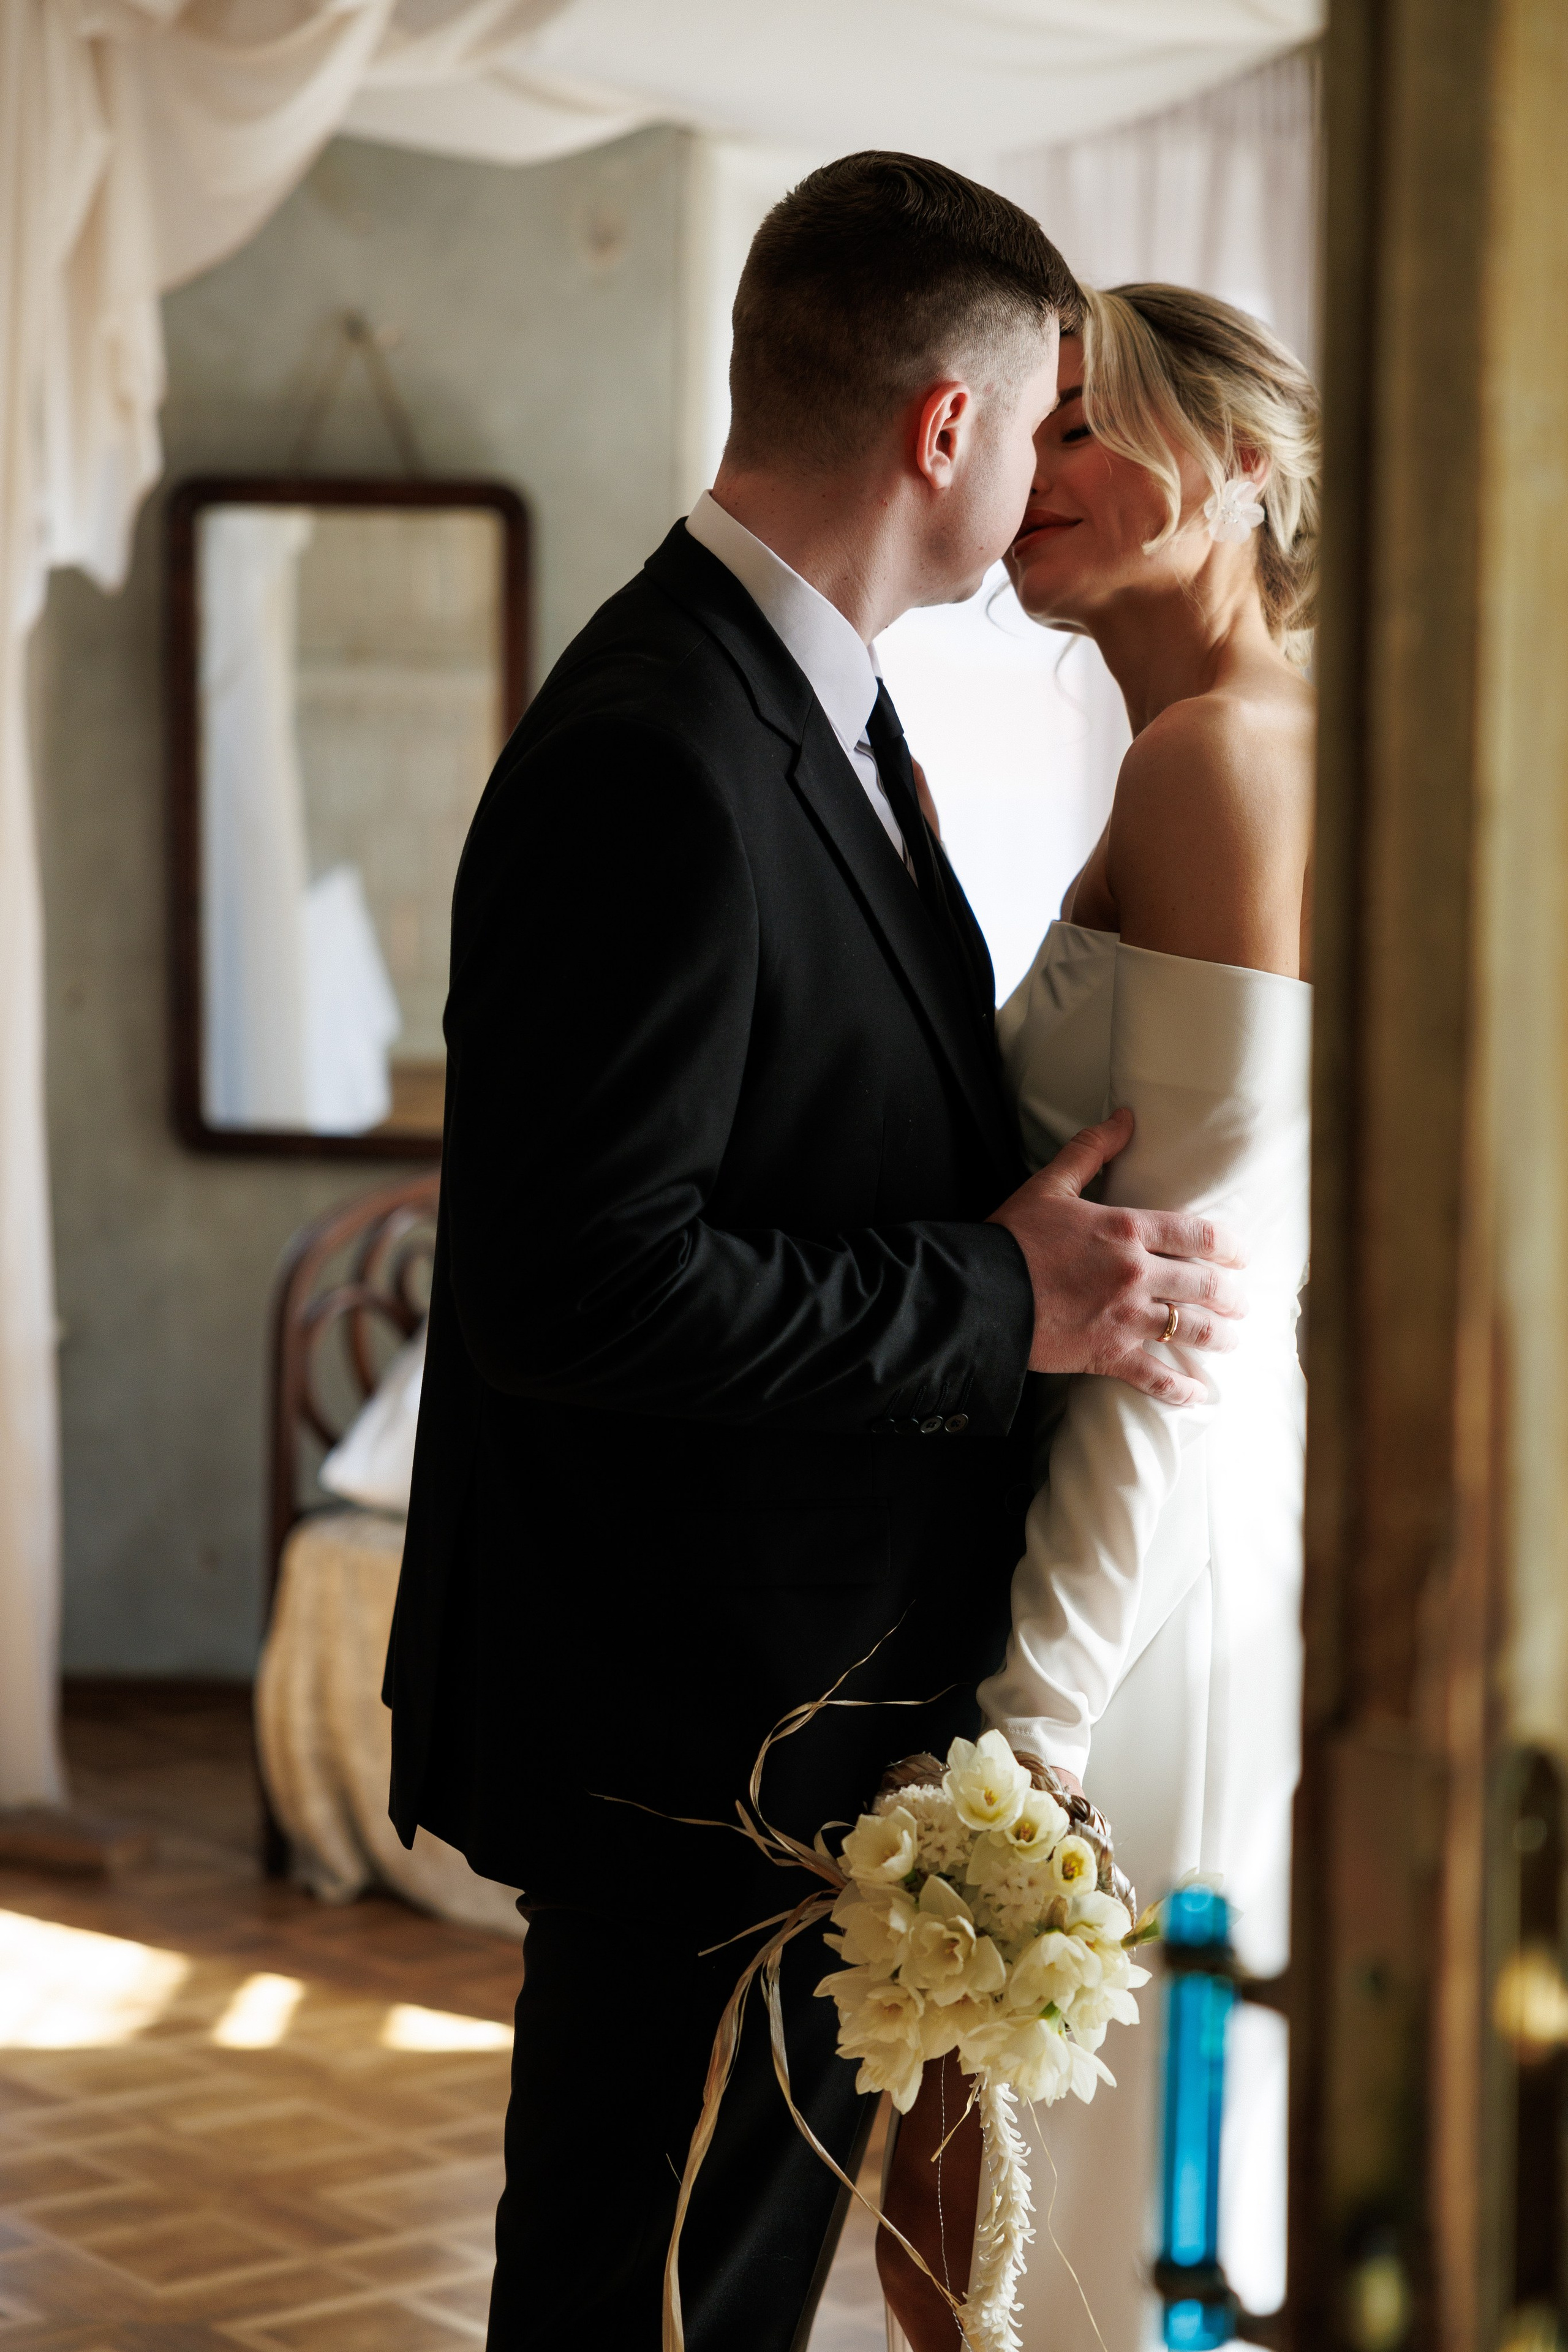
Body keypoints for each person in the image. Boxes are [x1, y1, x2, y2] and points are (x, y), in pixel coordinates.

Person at [384, 160, 1247, 2352]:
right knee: (650, 2294)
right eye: (1043, 418)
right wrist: (1010, 1298)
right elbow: (574, 1284)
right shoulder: (660, 749)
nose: (1053, 469)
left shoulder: (813, 703)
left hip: (783, 1701)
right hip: (705, 1717)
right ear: (942, 434)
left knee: (719, 2283)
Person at [879, 284, 1317, 2352]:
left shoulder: (1223, 762)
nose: (1029, 475)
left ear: (1241, 465)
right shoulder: (1232, 743)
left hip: (1129, 1557)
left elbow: (1176, 1301)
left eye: (1087, 432)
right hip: (1179, 1522)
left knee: (1032, 2174)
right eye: (1027, 430)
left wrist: (1030, 1715)